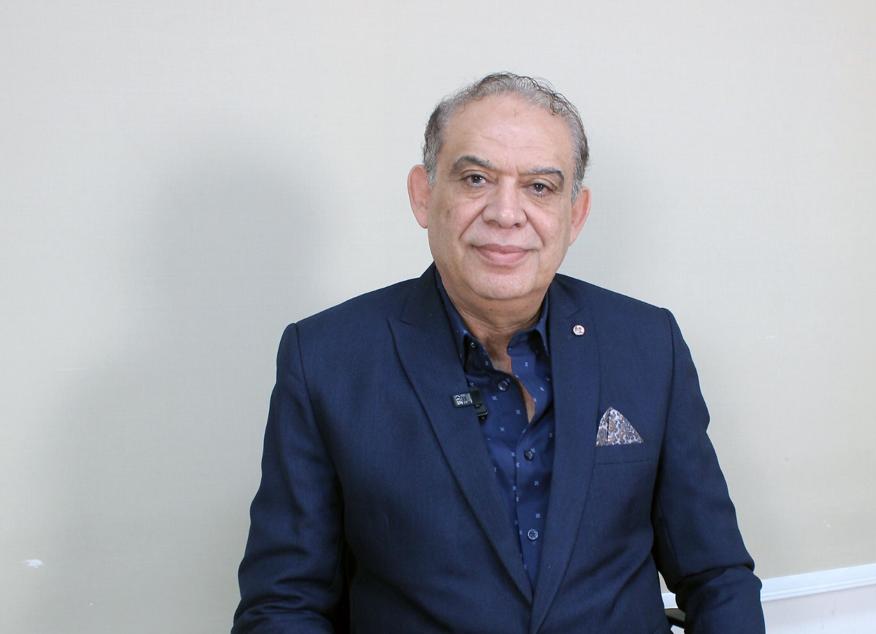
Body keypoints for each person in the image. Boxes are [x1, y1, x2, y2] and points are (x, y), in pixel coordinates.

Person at [233, 72, 765, 633]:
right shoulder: (325, 360)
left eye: (540, 187)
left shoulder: (649, 344)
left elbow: (717, 575)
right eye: (476, 179)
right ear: (423, 194)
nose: (506, 213)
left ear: (576, 214)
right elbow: (283, 606)